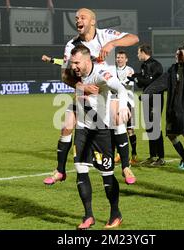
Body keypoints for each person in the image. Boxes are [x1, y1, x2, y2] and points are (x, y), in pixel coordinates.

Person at [43, 8, 139, 185]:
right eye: (76, 18)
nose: (78, 20)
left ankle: (125, 166)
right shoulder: (72, 46)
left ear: (93, 21)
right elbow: (65, 75)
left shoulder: (106, 35)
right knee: (66, 125)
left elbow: (134, 38)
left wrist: (112, 44)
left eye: (82, 17)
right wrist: (80, 86)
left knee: (118, 119)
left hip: (108, 90)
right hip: (86, 92)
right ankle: (60, 170)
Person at [69, 44, 130, 229]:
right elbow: (72, 83)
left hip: (101, 131)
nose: (74, 67)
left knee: (106, 174)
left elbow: (120, 88)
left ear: (87, 61)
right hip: (82, 129)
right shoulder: (76, 74)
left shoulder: (102, 74)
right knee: (80, 169)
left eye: (77, 63)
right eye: (72, 63)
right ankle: (88, 216)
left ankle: (115, 213)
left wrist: (122, 106)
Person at [143, 41, 184, 170]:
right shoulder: (172, 69)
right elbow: (161, 82)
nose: (177, 56)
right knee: (171, 135)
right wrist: (147, 93)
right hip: (172, 108)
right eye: (176, 54)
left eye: (180, 54)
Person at [130, 43, 165, 166]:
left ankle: (161, 157)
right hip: (146, 98)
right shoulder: (144, 65)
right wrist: (134, 77)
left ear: (144, 52)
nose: (137, 54)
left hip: (155, 98)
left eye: (138, 52)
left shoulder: (156, 65)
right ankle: (152, 156)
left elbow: (151, 81)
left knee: (155, 127)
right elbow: (142, 82)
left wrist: (135, 78)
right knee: (149, 127)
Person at [113, 50, 138, 184]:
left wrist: (116, 84)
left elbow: (129, 84)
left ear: (126, 59)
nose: (119, 59)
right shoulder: (112, 70)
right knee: (118, 129)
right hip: (115, 104)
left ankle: (133, 154)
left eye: (122, 57)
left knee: (129, 130)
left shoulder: (130, 70)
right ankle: (119, 154)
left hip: (128, 103)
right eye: (118, 57)